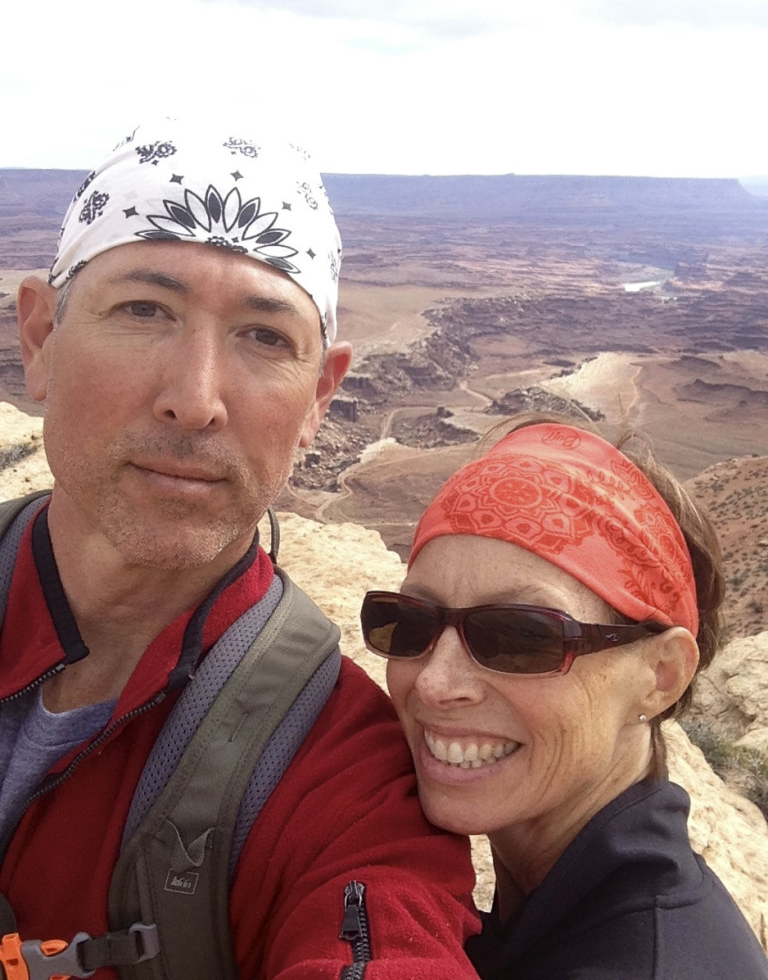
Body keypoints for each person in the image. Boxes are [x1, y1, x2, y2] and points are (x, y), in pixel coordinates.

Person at [0, 119, 480, 979]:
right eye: (144, 311)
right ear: (39, 340)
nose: (196, 400)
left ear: (320, 399)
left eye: (264, 337)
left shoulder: (341, 774)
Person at [361, 413, 768, 979]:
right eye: (409, 622)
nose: (434, 681)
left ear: (661, 674)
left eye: (521, 636)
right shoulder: (564, 914)